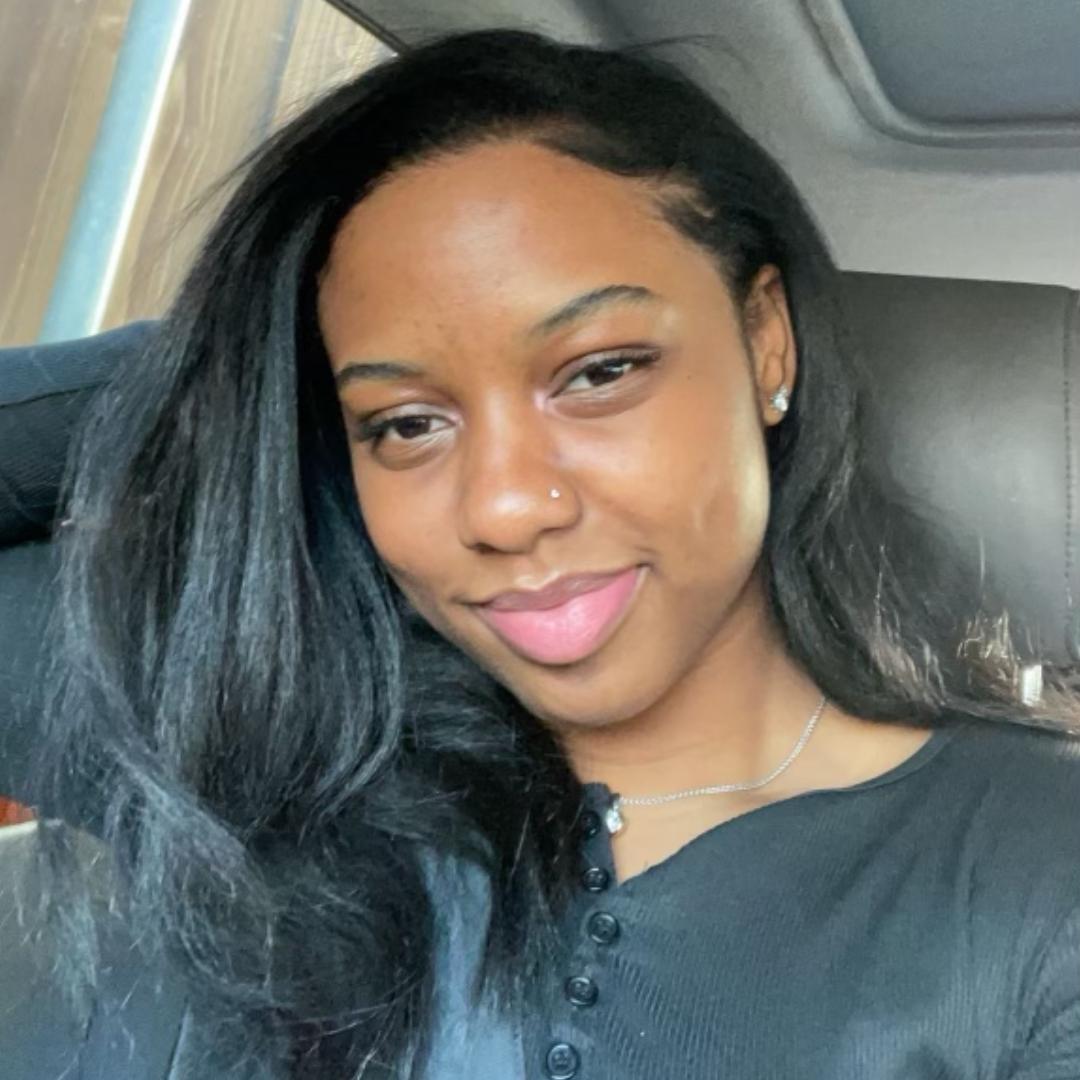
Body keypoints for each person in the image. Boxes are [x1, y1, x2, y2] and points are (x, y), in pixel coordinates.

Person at [16, 26, 1080, 1080]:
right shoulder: (269, 742)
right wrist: (225, 374)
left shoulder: (1036, 867)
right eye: (406, 422)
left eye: (600, 371)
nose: (506, 507)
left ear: (766, 342)